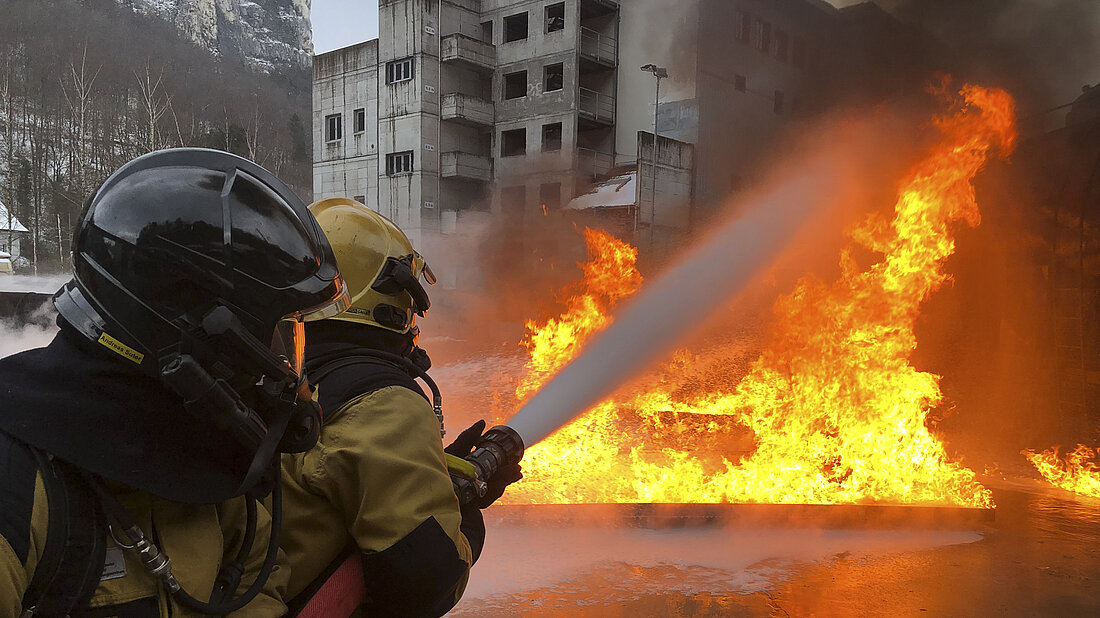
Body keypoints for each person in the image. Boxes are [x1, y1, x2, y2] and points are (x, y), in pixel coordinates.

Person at [0, 149, 349, 616]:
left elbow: (258, 589)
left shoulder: (207, 457)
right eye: (280, 335)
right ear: (198, 337)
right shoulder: (16, 482)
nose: (293, 374)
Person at [279, 198, 522, 617]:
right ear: (389, 296)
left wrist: (428, 474)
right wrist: (463, 513)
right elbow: (428, 581)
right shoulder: (383, 404)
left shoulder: (285, 379)